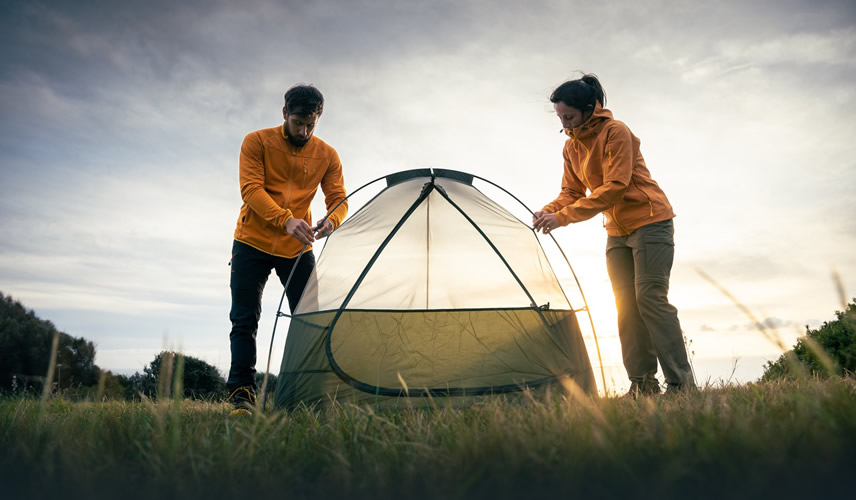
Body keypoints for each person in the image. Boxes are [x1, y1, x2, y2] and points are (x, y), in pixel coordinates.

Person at [533, 73, 695, 397]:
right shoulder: (571, 147)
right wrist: (547, 210)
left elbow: (615, 187)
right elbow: (571, 190)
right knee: (626, 306)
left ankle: (682, 385)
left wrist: (562, 218)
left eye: (569, 116)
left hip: (650, 221)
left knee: (649, 298)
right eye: (560, 118)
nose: (564, 124)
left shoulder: (615, 132)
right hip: (616, 233)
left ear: (589, 108)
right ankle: (643, 385)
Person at [227, 84, 347, 415]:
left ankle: (310, 396)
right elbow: (250, 189)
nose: (304, 131)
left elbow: (338, 198)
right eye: (298, 123)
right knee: (244, 319)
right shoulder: (256, 141)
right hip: (251, 241)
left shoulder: (327, 155)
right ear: (284, 114)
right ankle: (242, 398)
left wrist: (331, 221)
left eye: (311, 124)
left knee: (310, 319)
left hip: (297, 249)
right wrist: (285, 220)